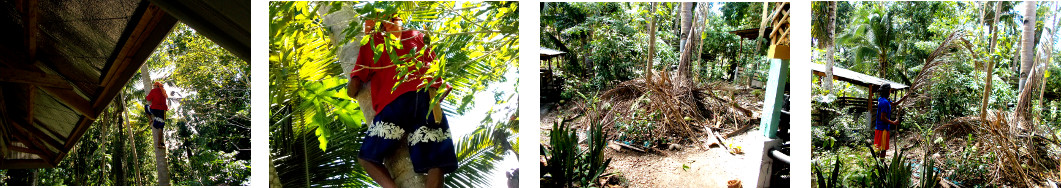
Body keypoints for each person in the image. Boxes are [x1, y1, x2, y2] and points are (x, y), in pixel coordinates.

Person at [346, 14, 456, 188]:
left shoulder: (373, 42)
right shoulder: (418, 35)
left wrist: (350, 88)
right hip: (426, 98)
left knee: (367, 159)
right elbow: (437, 73)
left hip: (394, 104)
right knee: (437, 162)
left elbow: (355, 85)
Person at [874, 83, 900, 158]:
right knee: (882, 149)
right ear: (887, 91)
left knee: (879, 147)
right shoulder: (884, 102)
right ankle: (879, 165)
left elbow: (894, 104)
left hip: (881, 128)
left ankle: (877, 164)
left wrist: (903, 98)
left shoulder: (883, 99)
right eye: (889, 90)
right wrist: (893, 122)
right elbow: (883, 118)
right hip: (882, 129)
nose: (890, 91)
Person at [145, 81, 169, 149]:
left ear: (157, 86)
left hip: (155, 109)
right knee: (160, 127)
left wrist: (147, 96)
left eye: (154, 85)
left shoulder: (154, 91)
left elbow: (148, 98)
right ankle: (159, 144)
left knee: (146, 106)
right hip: (163, 111)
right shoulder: (163, 91)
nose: (153, 86)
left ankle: (150, 119)